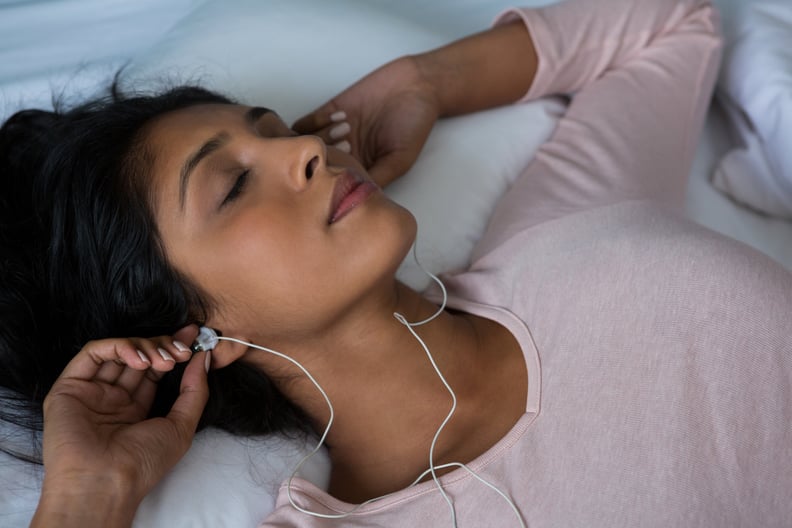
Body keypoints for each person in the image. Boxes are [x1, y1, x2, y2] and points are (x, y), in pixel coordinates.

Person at [1, 0, 790, 525]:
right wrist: (83, 500)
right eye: (235, 184)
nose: (307, 150)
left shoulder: (564, 225)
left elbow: (675, 21)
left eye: (277, 129)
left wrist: (425, 80)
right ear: (194, 331)